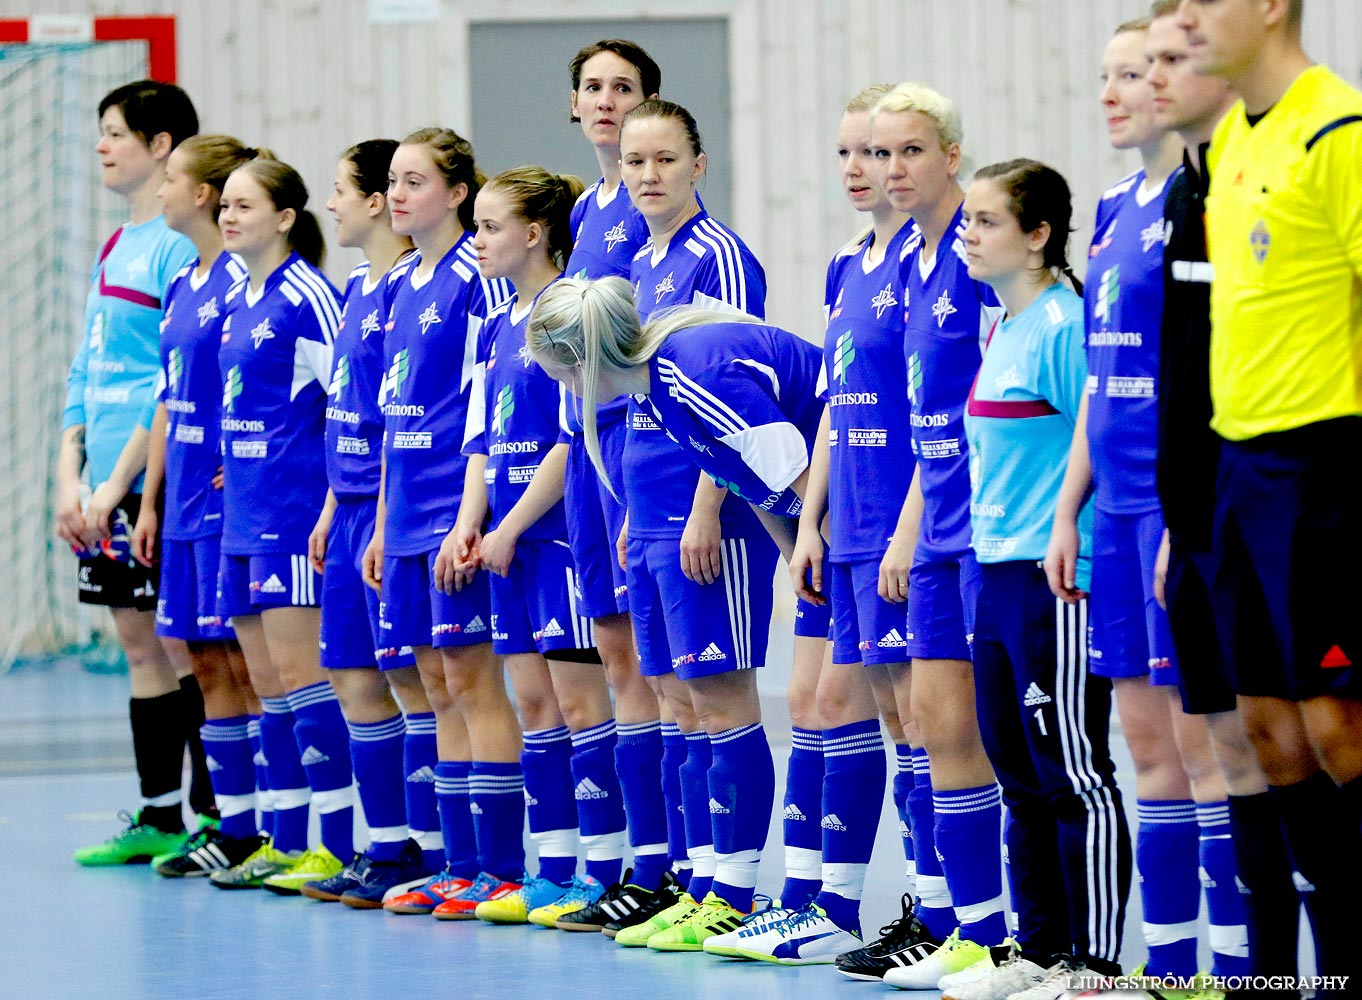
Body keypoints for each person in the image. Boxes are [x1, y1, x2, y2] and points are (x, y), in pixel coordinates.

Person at [1176, 0, 1362, 992]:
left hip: (1324, 465)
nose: (1191, 17)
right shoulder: (1233, 144)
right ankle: (1330, 968)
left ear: (1271, 8)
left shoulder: (1340, 132)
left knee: (1339, 726)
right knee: (1268, 728)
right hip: (1236, 472)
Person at [1044, 16, 1228, 984]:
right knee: (1145, 742)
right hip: (1111, 510)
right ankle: (1167, 964)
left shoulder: (1204, 196)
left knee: (1207, 747)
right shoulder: (1115, 207)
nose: (1117, 91)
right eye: (1109, 74)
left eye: (1139, 71)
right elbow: (1097, 381)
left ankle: (1241, 969)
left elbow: (1210, 373)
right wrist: (1070, 506)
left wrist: (1186, 512)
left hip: (1173, 505)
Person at [724, 82, 911, 967]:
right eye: (846, 152)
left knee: (871, 708)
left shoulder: (930, 260)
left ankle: (850, 904)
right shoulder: (846, 264)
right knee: (807, 700)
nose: (857, 168)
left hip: (899, 526)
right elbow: (835, 407)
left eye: (873, 151)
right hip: (836, 524)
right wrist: (806, 523)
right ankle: (801, 898)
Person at [947, 160, 1130, 1000]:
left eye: (985, 221)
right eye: (968, 219)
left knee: (1071, 774)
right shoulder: (1004, 325)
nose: (967, 232)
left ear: (1038, 235)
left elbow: (1099, 434)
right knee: (1016, 776)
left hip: (1051, 580)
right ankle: (1040, 950)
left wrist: (1064, 526)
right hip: (994, 575)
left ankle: (1093, 966)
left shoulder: (1062, 324)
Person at [1146, 4, 1300, 990]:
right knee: (1240, 755)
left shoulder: (1292, 156)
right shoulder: (1184, 191)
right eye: (1144, 63)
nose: (1160, 77)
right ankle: (1269, 974)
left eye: (1168, 59)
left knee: (1311, 745)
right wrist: (1177, 518)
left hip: (1283, 508)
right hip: (1198, 522)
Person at [846, 82, 1012, 990]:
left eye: (909, 151)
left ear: (951, 152)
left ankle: (1016, 936)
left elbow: (976, 407)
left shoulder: (974, 251)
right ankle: (963, 926)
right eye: (877, 154)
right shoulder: (901, 258)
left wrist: (908, 527)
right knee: (935, 728)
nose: (889, 169)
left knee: (989, 737)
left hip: (978, 526)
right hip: (927, 521)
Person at [602, 98, 779, 952]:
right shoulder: (639, 262)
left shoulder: (721, 256)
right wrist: (638, 514)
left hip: (706, 513)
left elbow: (741, 388)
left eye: (665, 160)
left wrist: (711, 502)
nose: (648, 176)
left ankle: (735, 894)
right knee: (675, 701)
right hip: (649, 507)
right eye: (636, 162)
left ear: (699, 165)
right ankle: (698, 879)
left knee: (722, 696)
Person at [440, 164, 626, 928]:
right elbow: (484, 441)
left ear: (535, 233)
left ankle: (607, 870)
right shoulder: (493, 324)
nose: (477, 240)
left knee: (583, 707)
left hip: (556, 541)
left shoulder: (568, 314)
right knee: (532, 705)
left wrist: (512, 528)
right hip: (506, 543)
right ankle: (550, 871)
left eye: (488, 227)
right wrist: (468, 522)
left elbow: (568, 440)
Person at [360, 128, 523, 920]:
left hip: (455, 508)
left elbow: (490, 406)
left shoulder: (475, 277)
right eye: (392, 180)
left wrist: (471, 517)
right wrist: (385, 523)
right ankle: (456, 862)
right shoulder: (398, 284)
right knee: (431, 683)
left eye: (415, 180)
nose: (397, 194)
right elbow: (397, 417)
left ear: (458, 193)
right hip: (406, 510)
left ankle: (500, 866)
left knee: (471, 677)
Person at [57, 80, 214, 866]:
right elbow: (87, 367)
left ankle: (218, 817)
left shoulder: (178, 245)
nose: (101, 145)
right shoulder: (117, 244)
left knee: (185, 642)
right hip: (100, 475)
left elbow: (171, 376)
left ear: (161, 147)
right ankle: (158, 813)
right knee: (136, 639)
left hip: (155, 471)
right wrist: (69, 475)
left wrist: (119, 487)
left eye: (115, 132)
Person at [551, 39, 675, 934]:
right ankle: (641, 860)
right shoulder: (585, 210)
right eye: (591, 87)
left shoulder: (650, 210)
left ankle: (672, 866)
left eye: (621, 89)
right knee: (614, 653)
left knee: (655, 663)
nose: (604, 101)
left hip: (637, 454)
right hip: (583, 451)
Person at [207, 156, 355, 893]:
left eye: (244, 205)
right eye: (225, 205)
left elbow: (347, 405)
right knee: (264, 682)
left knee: (303, 678)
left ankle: (334, 842)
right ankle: (284, 836)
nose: (229, 216)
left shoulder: (308, 297)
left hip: (294, 517)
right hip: (242, 513)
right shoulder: (239, 297)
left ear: (286, 217)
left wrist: (329, 499)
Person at [297, 139, 438, 908]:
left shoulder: (412, 288)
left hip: (394, 506)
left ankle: (429, 847)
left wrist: (381, 513)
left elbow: (403, 417)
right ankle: (384, 845)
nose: (335, 203)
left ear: (379, 203)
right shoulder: (358, 285)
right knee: (354, 674)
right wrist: (330, 504)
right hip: (347, 505)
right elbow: (345, 406)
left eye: (344, 190)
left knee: (412, 676)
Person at [129, 133, 267, 877]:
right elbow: (168, 399)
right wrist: (149, 501)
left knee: (245, 664)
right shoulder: (185, 282)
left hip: (229, 503)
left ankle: (266, 823)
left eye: (174, 178)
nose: (161, 190)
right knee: (202, 664)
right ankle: (225, 819)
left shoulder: (243, 286)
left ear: (205, 194)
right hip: (179, 502)